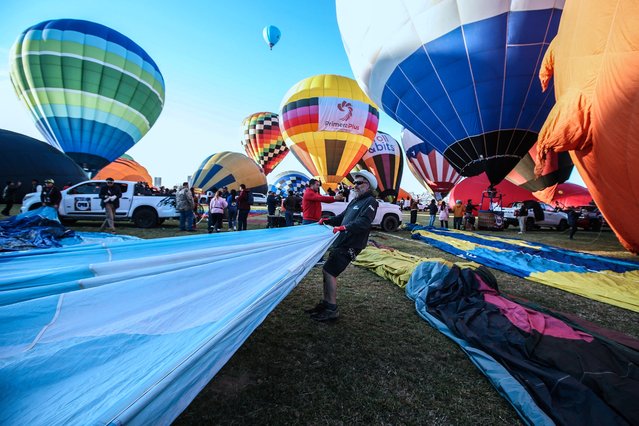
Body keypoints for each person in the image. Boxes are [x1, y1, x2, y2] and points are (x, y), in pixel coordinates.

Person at [306, 170, 379, 322]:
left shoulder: (371, 201)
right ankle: (326, 304)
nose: (355, 186)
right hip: (342, 241)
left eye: (359, 183)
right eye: (355, 183)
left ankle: (331, 309)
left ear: (368, 186)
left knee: (330, 271)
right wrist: (327, 220)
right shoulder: (354, 201)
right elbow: (342, 218)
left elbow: (364, 222)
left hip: (352, 244)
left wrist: (345, 228)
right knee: (327, 270)